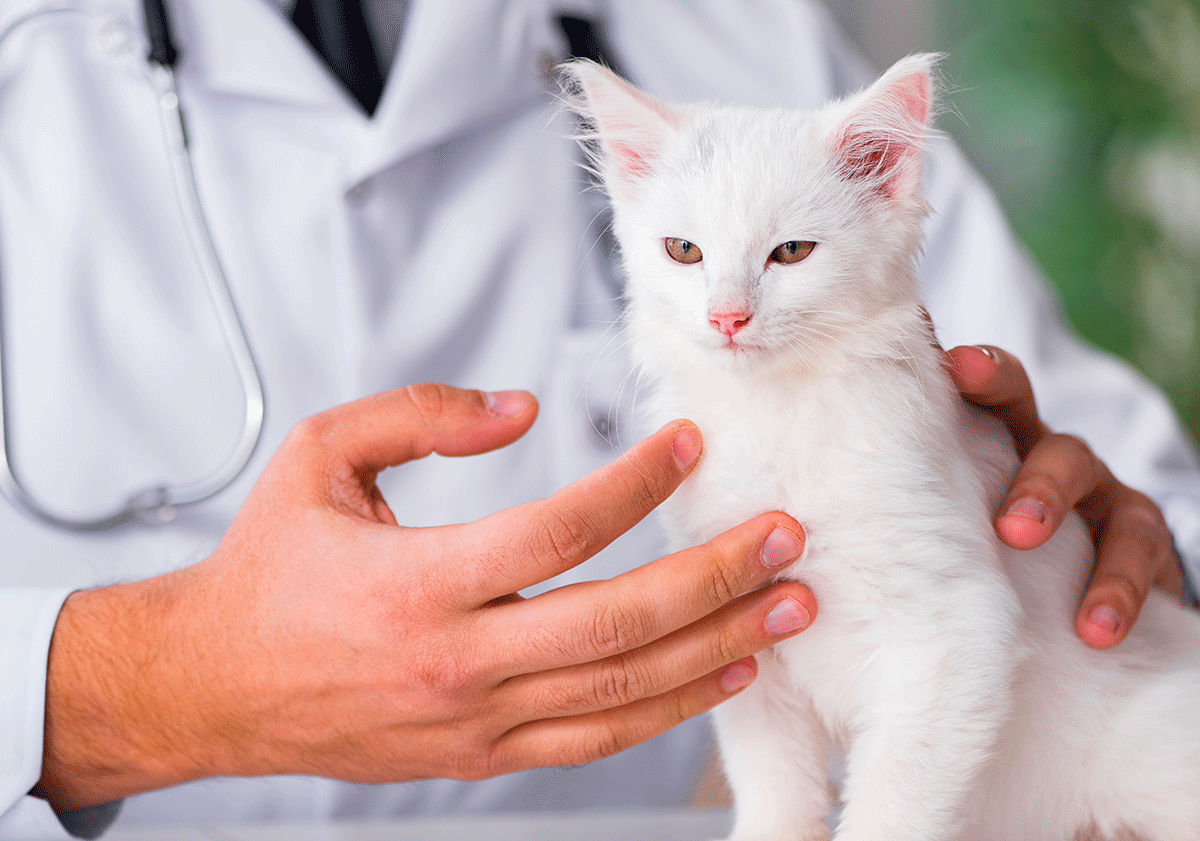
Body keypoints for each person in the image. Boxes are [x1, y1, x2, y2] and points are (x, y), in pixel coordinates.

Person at [1, 0, 1197, 837]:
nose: (728, 307)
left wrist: (1148, 554)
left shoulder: (730, 37)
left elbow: (1122, 482)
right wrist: (131, 685)